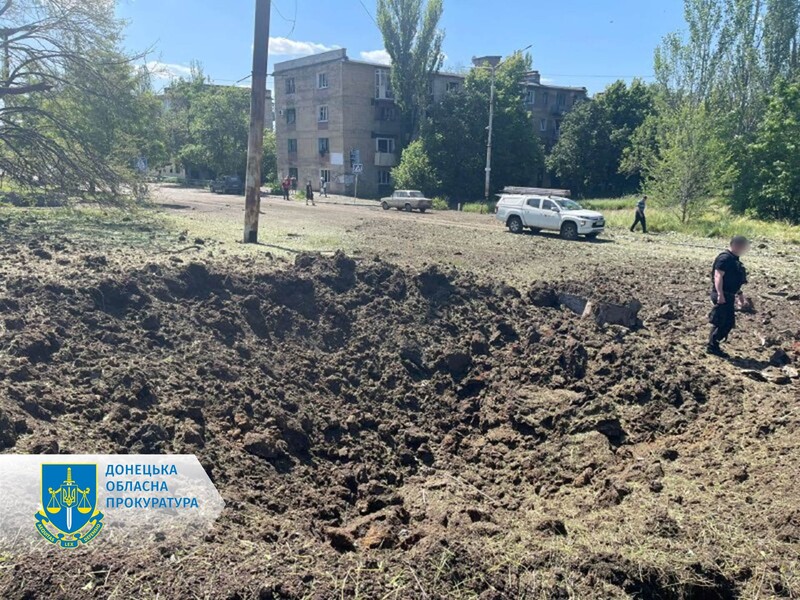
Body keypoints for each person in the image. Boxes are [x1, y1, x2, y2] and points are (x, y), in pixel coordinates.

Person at [707, 236, 750, 357]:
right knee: (723, 322)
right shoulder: (725, 258)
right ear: (736, 245)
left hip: (728, 295)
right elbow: (718, 276)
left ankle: (713, 345)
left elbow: (733, 280)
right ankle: (712, 346)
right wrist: (720, 294)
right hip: (722, 294)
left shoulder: (734, 259)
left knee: (726, 322)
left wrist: (740, 295)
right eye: (744, 246)